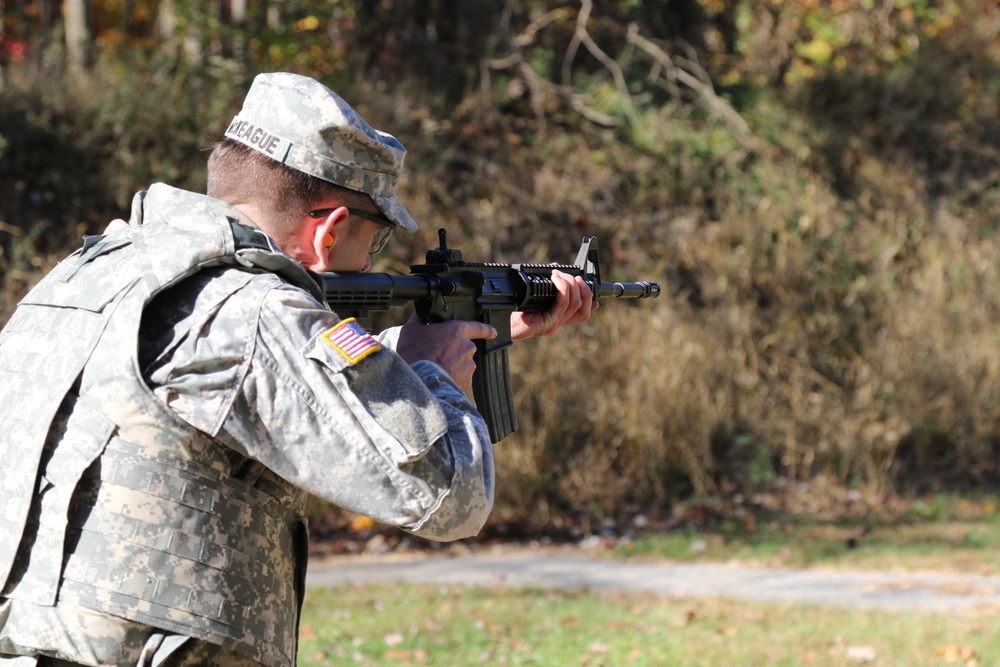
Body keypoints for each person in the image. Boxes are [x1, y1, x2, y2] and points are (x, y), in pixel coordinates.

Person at [0, 72, 596, 667]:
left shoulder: (92, 274)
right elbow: (450, 497)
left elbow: (269, 381)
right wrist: (431, 373)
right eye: (375, 242)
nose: (371, 262)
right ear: (330, 229)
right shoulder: (254, 308)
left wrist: (454, 340)